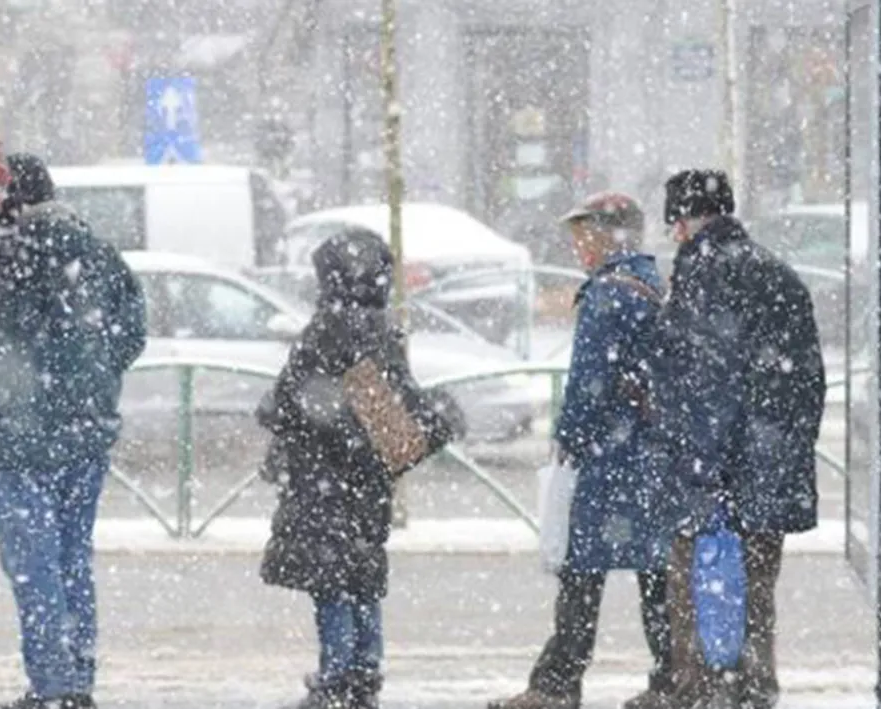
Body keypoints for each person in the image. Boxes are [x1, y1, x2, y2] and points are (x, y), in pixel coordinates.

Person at [0, 154, 147, 709]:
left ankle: (52, 684)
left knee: (33, 565)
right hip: (85, 436)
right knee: (72, 556)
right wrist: (90, 379)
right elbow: (131, 335)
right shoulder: (100, 258)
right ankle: (77, 678)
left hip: (15, 444)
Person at [257, 229, 465, 709]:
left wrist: (283, 413)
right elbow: (396, 429)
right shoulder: (380, 332)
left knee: (332, 584)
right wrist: (436, 421)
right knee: (361, 577)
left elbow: (289, 402)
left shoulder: (328, 330)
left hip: (321, 482)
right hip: (365, 487)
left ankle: (336, 677)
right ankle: (364, 673)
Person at [488, 193, 673, 709]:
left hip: (610, 460)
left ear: (608, 235)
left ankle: (557, 683)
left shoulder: (609, 294)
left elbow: (590, 382)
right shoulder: (652, 283)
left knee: (581, 573)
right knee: (655, 574)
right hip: (651, 454)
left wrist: (568, 437)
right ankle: (671, 679)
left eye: (583, 235)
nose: (577, 248)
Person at [650, 170, 825, 709]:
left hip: (717, 477)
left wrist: (703, 466)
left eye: (676, 223)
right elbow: (807, 382)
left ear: (683, 221)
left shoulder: (705, 272)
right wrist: (780, 455)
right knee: (754, 597)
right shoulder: (777, 272)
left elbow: (707, 382)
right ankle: (752, 688)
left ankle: (702, 692)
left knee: (698, 597)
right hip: (769, 472)